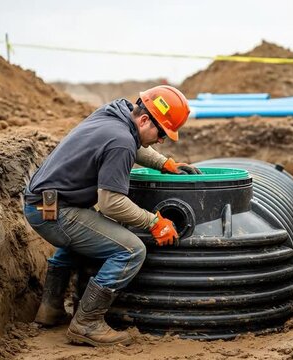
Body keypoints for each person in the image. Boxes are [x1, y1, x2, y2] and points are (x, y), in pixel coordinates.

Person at [22, 85, 200, 347]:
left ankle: (50, 309)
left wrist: (163, 163)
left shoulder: (115, 113)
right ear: (144, 119)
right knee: (130, 250)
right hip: (57, 213)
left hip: (44, 204)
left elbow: (134, 143)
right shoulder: (121, 141)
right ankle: (87, 324)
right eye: (161, 133)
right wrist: (153, 222)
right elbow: (111, 203)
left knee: (88, 238)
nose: (161, 140)